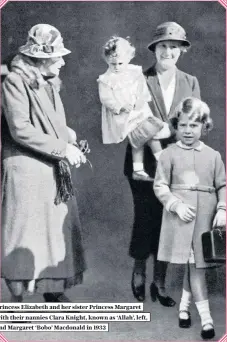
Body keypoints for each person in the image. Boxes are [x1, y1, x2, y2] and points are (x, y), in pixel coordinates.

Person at [1, 24, 88, 302]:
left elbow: (52, 125)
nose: (62, 62)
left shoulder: (49, 85)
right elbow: (20, 129)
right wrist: (62, 148)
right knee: (24, 234)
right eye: (58, 56)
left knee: (53, 233)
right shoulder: (15, 82)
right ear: (40, 58)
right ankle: (17, 300)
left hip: (49, 168)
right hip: (25, 169)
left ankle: (52, 291)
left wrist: (71, 139)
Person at [124, 22, 201, 304]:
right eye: (163, 46)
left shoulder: (190, 81)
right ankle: (138, 272)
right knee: (146, 218)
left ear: (182, 50)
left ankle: (159, 283)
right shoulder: (137, 79)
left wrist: (172, 131)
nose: (168, 51)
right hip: (142, 164)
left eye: (174, 46)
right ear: (154, 49)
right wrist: (157, 132)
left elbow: (195, 121)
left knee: (169, 223)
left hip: (177, 164)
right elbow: (128, 121)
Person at [154, 97, 226, 339]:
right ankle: (207, 321)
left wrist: (223, 209)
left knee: (196, 265)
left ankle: (184, 309)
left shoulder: (214, 155)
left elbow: (223, 185)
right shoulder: (167, 154)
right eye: (183, 125)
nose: (187, 131)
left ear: (204, 127)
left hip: (205, 218)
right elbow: (160, 186)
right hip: (181, 219)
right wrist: (174, 204)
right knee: (196, 267)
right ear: (175, 126)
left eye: (194, 126)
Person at [98, 36, 171, 182]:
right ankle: (161, 164)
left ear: (129, 58)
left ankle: (140, 169)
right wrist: (120, 106)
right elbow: (106, 99)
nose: (117, 67)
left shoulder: (134, 72)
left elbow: (142, 89)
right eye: (113, 64)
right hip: (124, 117)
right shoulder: (106, 79)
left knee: (144, 137)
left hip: (139, 111)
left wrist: (140, 99)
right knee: (143, 137)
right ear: (107, 60)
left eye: (120, 63)